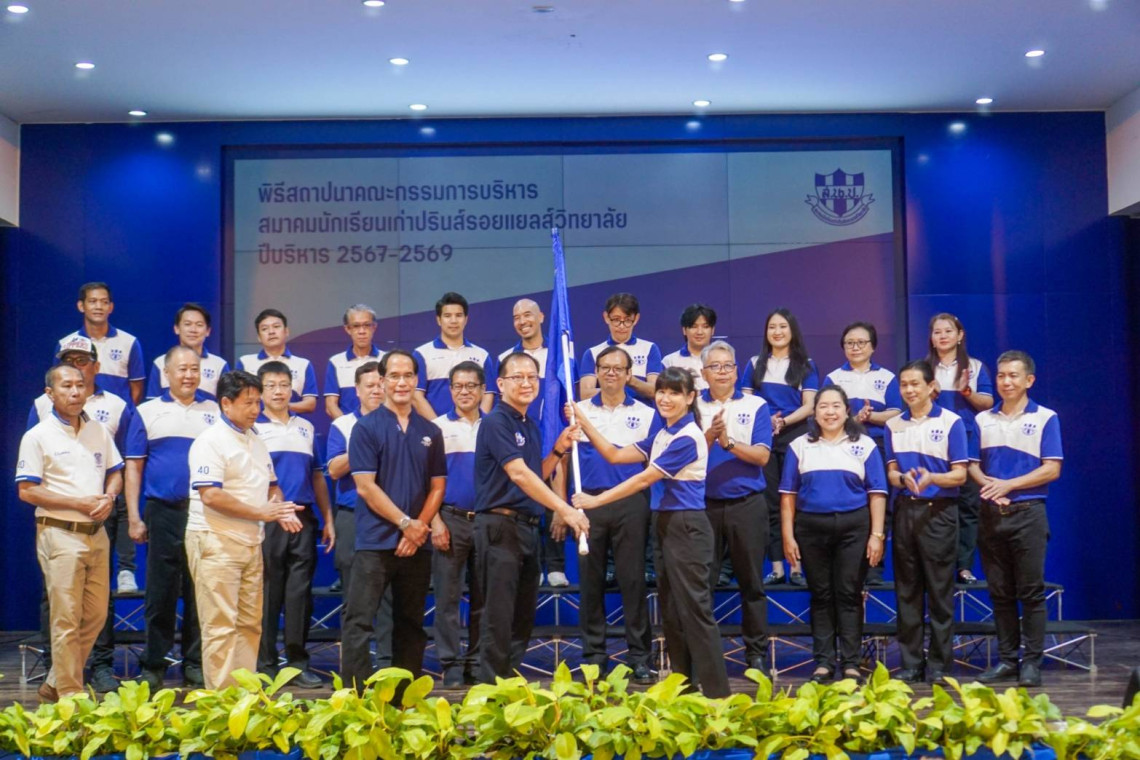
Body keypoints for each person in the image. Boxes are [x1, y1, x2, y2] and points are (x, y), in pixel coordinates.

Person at [573, 367, 729, 697]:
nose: (665, 398)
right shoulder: (662, 435)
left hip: (687, 526)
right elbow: (615, 455)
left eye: (674, 393)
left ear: (690, 397)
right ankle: (685, 689)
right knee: (672, 612)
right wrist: (583, 421)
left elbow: (644, 479)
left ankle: (718, 695)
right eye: (661, 391)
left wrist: (596, 500)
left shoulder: (688, 436)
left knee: (696, 612)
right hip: (664, 525)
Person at [473, 352, 588, 683]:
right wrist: (564, 509)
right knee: (499, 616)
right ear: (500, 383)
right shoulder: (496, 422)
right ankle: (491, 691)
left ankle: (509, 684)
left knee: (522, 617)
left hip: (526, 528)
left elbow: (536, 474)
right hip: (499, 527)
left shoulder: (529, 425)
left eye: (531, 377)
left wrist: (558, 449)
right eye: (517, 377)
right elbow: (519, 474)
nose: (526, 383)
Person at [186, 370, 305, 689]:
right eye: (248, 403)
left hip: (251, 542)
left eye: (257, 402)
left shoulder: (256, 439)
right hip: (216, 541)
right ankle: (222, 702)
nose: (256, 409)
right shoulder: (209, 441)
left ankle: (244, 698)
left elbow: (272, 486)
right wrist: (261, 512)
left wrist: (280, 508)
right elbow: (211, 495)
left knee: (251, 624)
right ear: (226, 403)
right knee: (220, 626)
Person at [29, 337, 134, 693]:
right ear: (50, 393)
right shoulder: (38, 435)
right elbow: (27, 490)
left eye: (79, 384)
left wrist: (110, 495)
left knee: (96, 616)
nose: (75, 391)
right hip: (59, 532)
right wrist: (78, 503)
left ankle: (55, 681)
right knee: (66, 617)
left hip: (96, 532)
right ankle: (70, 696)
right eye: (66, 385)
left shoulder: (98, 430)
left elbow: (116, 470)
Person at [341, 349, 447, 693]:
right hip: (375, 541)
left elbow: (438, 486)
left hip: (417, 544)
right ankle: (355, 699)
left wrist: (418, 529)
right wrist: (405, 524)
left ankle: (404, 700)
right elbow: (365, 486)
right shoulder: (365, 428)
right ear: (383, 381)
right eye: (395, 376)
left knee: (410, 623)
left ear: (416, 380)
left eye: (408, 376)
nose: (402, 382)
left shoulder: (431, 430)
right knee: (359, 621)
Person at [779, 385, 887, 684]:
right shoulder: (799, 445)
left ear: (847, 411)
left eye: (836, 406)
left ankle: (851, 663)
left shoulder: (864, 444)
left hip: (854, 528)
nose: (830, 412)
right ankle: (824, 663)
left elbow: (877, 493)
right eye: (823, 406)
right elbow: (787, 497)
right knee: (821, 595)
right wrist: (788, 536)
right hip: (810, 528)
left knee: (849, 593)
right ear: (814, 413)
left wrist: (877, 535)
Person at [124, 345, 218, 690]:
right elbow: (133, 467)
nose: (189, 375)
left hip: (203, 513)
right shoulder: (147, 412)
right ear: (166, 373)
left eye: (195, 369)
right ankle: (154, 663)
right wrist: (134, 516)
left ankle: (194, 662)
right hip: (162, 512)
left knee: (198, 590)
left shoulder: (215, 410)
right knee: (160, 593)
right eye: (182, 369)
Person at [971, 350, 1062, 688]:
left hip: (1028, 514)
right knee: (1000, 593)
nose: (1006, 382)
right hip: (991, 514)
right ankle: (1008, 660)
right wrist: (991, 487)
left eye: (1013, 375)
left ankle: (1032, 662)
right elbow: (971, 466)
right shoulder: (983, 419)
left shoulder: (1045, 417)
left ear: (1029, 380)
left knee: (1031, 592)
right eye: (1001, 376)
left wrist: (1009, 485)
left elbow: (1052, 468)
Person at [568, 346, 655, 683]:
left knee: (632, 581)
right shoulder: (578, 411)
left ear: (629, 374)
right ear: (596, 372)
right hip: (588, 503)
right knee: (590, 583)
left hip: (631, 503)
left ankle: (640, 657)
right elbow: (564, 456)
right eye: (605, 367)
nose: (611, 373)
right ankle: (594, 658)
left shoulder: (646, 414)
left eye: (618, 368)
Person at [884, 360, 968, 684]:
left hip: (939, 512)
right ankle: (911, 663)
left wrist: (933, 477)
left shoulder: (951, 422)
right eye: (904, 384)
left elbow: (960, 475)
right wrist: (901, 479)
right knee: (907, 590)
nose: (909, 390)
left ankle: (940, 664)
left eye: (915, 384)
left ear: (931, 386)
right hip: (906, 509)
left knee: (939, 591)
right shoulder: (893, 425)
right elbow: (891, 471)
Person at [254, 361, 335, 688]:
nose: (278, 391)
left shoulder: (306, 428)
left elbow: (317, 476)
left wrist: (328, 518)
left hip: (304, 518)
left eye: (284, 385)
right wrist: (273, 509)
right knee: (268, 593)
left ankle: (298, 664)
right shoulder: (252, 428)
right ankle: (265, 665)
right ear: (260, 391)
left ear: (293, 390)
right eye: (271, 385)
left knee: (300, 595)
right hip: (270, 518)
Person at [696, 340, 772, 675]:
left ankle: (755, 655)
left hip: (747, 505)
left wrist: (728, 442)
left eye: (728, 365)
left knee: (752, 584)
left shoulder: (756, 405)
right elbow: (682, 453)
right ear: (703, 373)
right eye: (715, 366)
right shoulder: (693, 404)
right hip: (703, 506)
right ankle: (703, 655)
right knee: (702, 585)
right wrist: (709, 436)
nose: (723, 372)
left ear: (736, 370)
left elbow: (762, 456)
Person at [746, 308, 820, 586]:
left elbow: (809, 406)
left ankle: (797, 567)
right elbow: (745, 401)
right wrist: (766, 421)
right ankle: (777, 567)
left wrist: (783, 421)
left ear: (792, 331)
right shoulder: (755, 363)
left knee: (794, 500)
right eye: (772, 327)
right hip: (763, 437)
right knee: (771, 503)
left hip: (795, 436)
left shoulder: (805, 364)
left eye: (783, 327)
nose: (777, 332)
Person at [825, 321, 902, 586]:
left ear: (873, 346)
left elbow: (896, 412)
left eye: (861, 342)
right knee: (850, 503)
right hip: (842, 446)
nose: (855, 347)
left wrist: (871, 416)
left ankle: (875, 567)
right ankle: (847, 565)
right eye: (850, 343)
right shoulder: (834, 378)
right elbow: (824, 412)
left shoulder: (887, 377)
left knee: (878, 502)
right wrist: (853, 420)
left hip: (877, 445)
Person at [429, 361, 488, 688]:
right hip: (449, 521)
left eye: (471, 386)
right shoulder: (436, 428)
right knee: (447, 600)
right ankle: (450, 665)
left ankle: (476, 664)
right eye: (458, 386)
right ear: (450, 390)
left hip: (488, 522)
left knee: (484, 599)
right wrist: (435, 521)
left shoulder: (494, 426)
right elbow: (425, 482)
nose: (464, 392)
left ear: (482, 390)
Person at [926, 313, 995, 584]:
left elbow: (988, 403)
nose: (942, 336)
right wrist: (928, 395)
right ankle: (937, 566)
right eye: (937, 332)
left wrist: (967, 392)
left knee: (968, 506)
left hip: (967, 443)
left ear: (960, 335)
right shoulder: (923, 368)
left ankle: (964, 566)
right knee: (936, 506)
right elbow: (911, 403)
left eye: (948, 331)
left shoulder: (975, 367)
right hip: (933, 444)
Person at [325, 361, 384, 595]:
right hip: (353, 514)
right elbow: (334, 470)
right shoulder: (343, 424)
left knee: (389, 595)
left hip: (390, 515)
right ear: (357, 390)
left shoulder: (400, 422)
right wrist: (363, 444)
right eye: (370, 385)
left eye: (380, 385)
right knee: (352, 592)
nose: (376, 390)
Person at [54, 281, 145, 406]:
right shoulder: (65, 344)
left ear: (111, 307)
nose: (99, 307)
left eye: (104, 302)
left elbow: (137, 388)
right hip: (77, 413)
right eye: (92, 301)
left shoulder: (129, 342)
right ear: (81, 306)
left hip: (116, 415)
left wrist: (122, 413)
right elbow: (58, 383)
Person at [412, 291, 496, 419]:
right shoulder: (422, 354)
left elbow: (488, 394)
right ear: (439, 320)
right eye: (447, 316)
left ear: (466, 319)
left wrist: (478, 425)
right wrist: (439, 427)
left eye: (458, 315)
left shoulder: (482, 355)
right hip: (434, 429)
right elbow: (416, 397)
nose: (453, 321)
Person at [579, 293, 663, 402]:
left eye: (627, 320)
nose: (622, 326)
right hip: (604, 411)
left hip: (641, 411)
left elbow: (656, 391)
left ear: (636, 318)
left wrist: (629, 380)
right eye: (616, 320)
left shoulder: (649, 348)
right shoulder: (592, 353)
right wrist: (614, 390)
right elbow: (585, 394)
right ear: (606, 317)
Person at [237, 308, 320, 415]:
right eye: (264, 329)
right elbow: (239, 399)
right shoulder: (245, 363)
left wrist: (281, 406)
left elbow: (310, 404)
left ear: (286, 331)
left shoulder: (303, 364)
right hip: (254, 423)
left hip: (291, 423)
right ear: (259, 337)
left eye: (276, 327)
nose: (271, 332)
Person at [147, 303, 230, 400]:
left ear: (208, 331)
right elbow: (153, 403)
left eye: (199, 325)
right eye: (187, 324)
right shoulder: (161, 362)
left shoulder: (219, 365)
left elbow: (227, 403)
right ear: (177, 329)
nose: (193, 330)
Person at [325, 304, 384, 420]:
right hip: (348, 428)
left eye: (367, 325)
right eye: (356, 326)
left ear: (374, 327)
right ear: (348, 329)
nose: (362, 331)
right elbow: (331, 405)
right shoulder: (336, 362)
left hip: (382, 426)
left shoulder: (387, 360)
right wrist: (348, 427)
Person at [662, 303, 717, 391]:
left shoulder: (724, 360)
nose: (699, 332)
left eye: (705, 327)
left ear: (712, 330)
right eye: (694, 327)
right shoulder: (669, 361)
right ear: (684, 330)